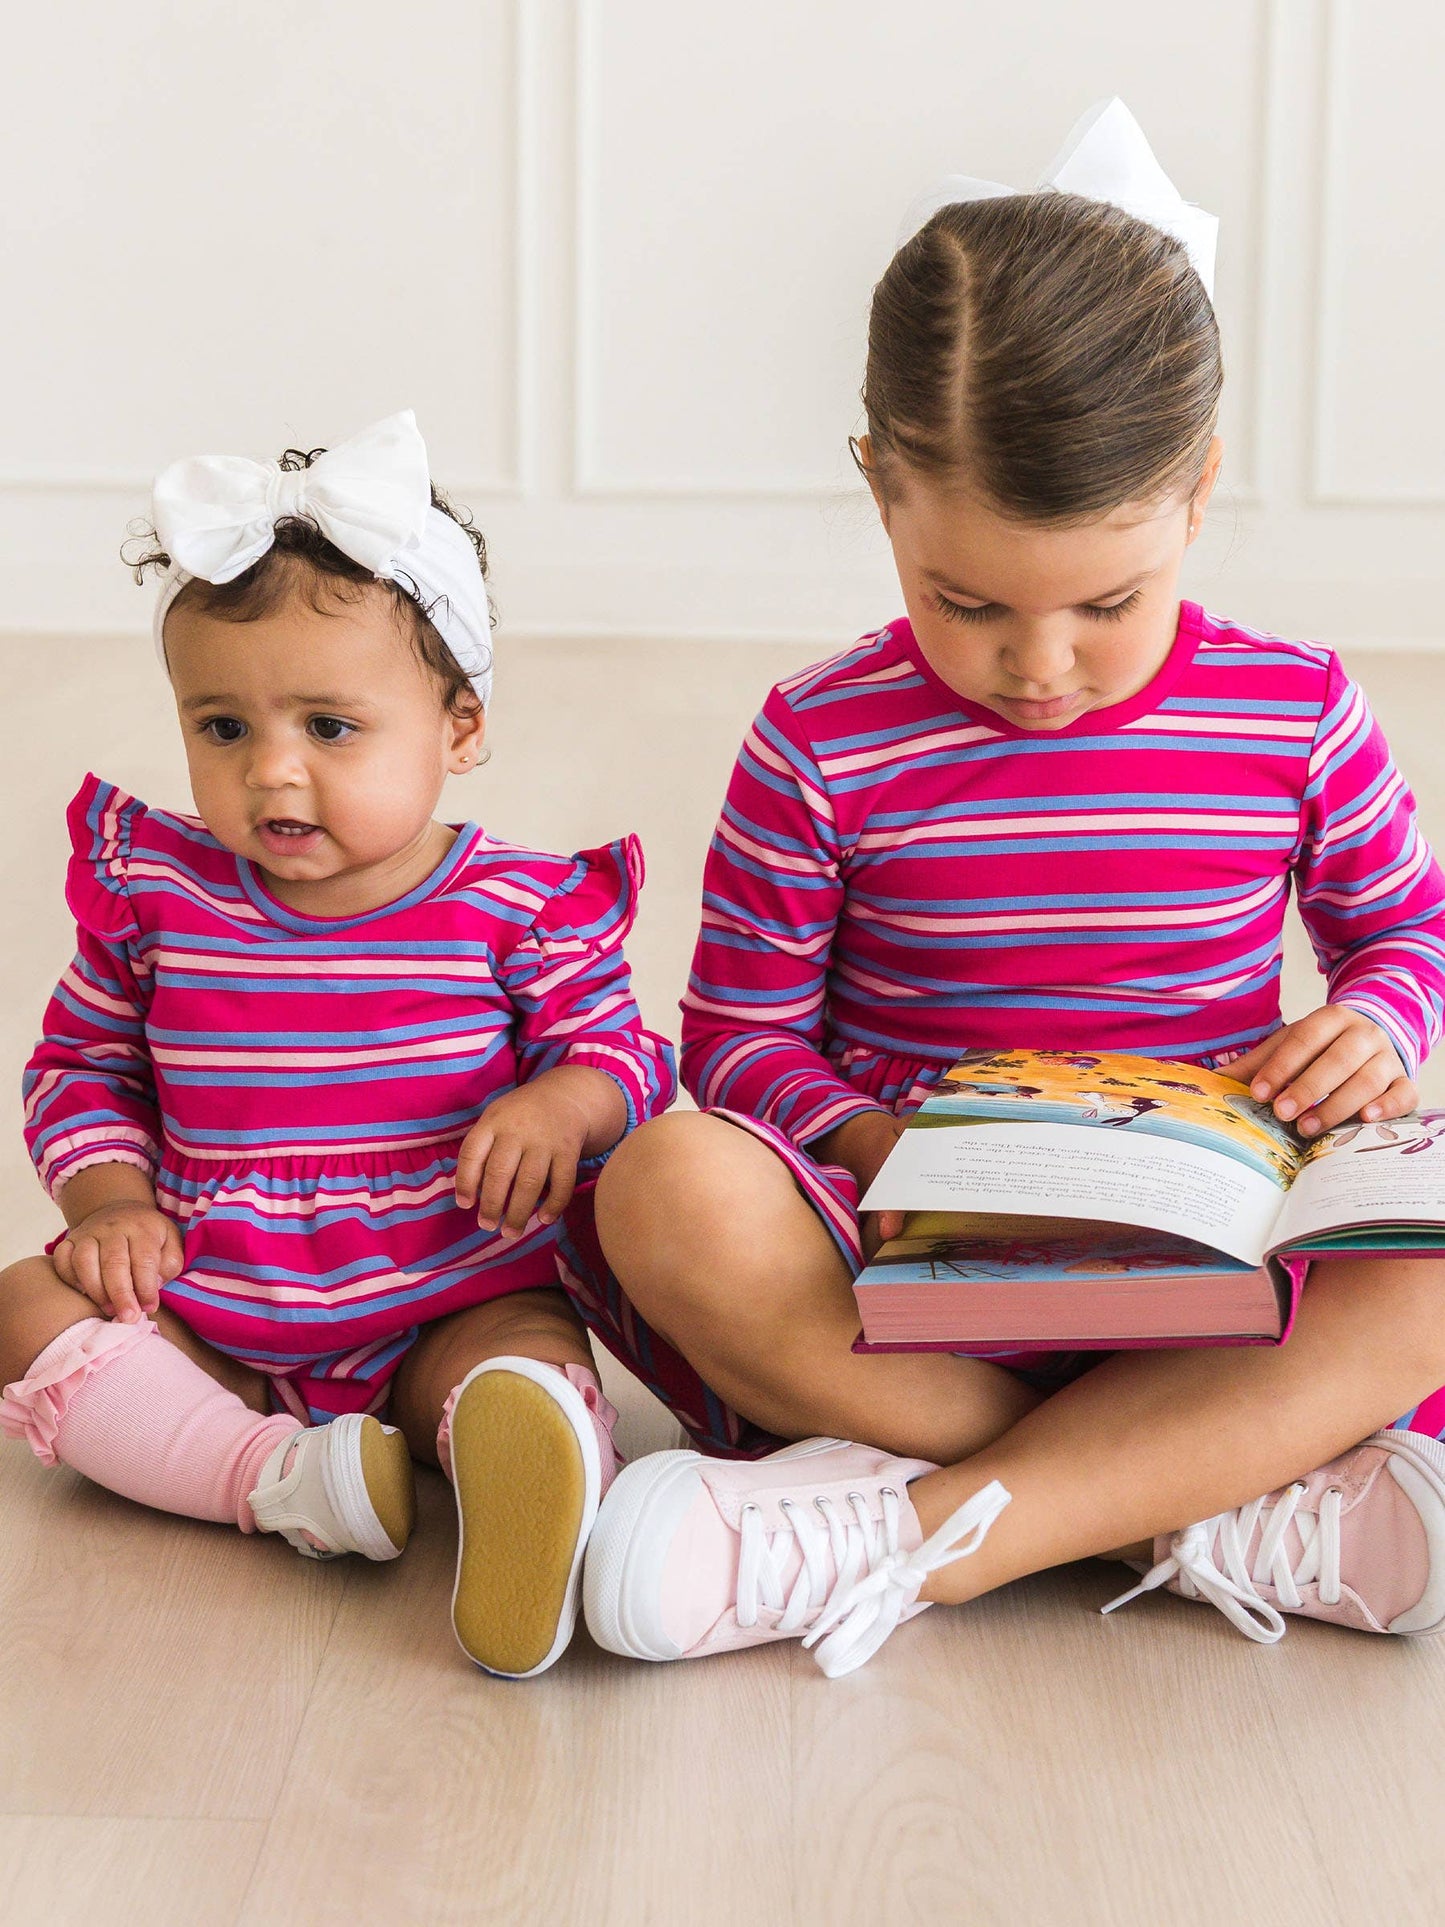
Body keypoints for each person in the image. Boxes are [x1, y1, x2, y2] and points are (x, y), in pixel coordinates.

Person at [568, 102, 1445, 1676]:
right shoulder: (823, 738)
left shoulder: (1295, 709)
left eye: (1107, 603)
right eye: (960, 601)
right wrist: (871, 1138)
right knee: (664, 1182)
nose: (1035, 667)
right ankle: (1188, 1490)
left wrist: (1377, 1017)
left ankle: (910, 1525)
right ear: (878, 489)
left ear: (1199, 491)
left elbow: (1407, 930)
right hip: (912, 1262)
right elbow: (736, 1042)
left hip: (1212, 1254)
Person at [0, 412, 674, 1681]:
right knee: (25, 1305)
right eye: (223, 728)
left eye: (330, 727)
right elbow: (80, 1067)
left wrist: (564, 1108)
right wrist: (109, 1200)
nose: (272, 776)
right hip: (213, 1289)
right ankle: (274, 1476)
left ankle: (520, 1457)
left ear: (458, 727)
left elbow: (629, 1057)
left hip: (446, 1285)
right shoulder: (160, 899)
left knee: (513, 1359)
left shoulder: (517, 908)